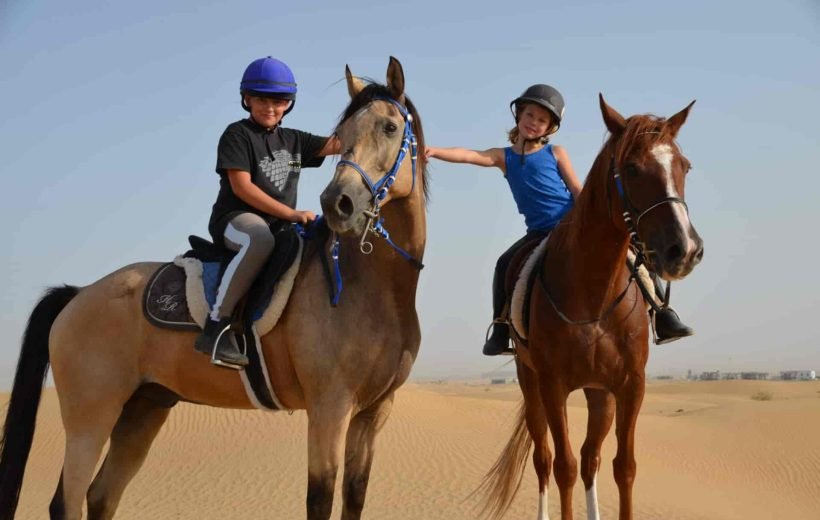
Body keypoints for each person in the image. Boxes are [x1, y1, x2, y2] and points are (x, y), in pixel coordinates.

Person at [426, 84, 693, 356]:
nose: (534, 123)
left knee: (632, 254)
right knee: (504, 263)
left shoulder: (556, 153)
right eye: (530, 115)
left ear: (550, 128)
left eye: (542, 120)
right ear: (519, 115)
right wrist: (435, 151)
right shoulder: (503, 157)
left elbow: (578, 190)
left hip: (573, 225)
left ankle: (662, 313)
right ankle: (501, 328)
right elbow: (470, 155)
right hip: (540, 232)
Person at [194, 56, 339, 367]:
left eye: (278, 100)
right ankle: (216, 327)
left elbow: (340, 143)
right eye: (261, 99)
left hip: (281, 226)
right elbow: (241, 188)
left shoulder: (295, 141)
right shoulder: (237, 134)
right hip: (237, 221)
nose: (269, 107)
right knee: (259, 240)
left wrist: (372, 114)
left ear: (289, 103)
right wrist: (291, 214)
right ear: (246, 99)